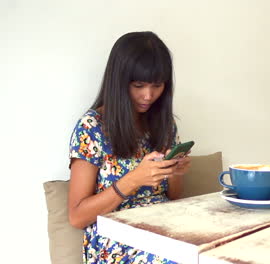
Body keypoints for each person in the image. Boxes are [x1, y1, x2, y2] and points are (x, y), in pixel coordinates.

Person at [68, 31, 191, 264]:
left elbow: (174, 196)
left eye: (157, 85)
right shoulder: (92, 127)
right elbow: (77, 216)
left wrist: (173, 171)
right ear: (119, 81)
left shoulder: (163, 122)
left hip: (163, 226)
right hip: (115, 239)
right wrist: (134, 179)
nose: (148, 95)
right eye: (138, 85)